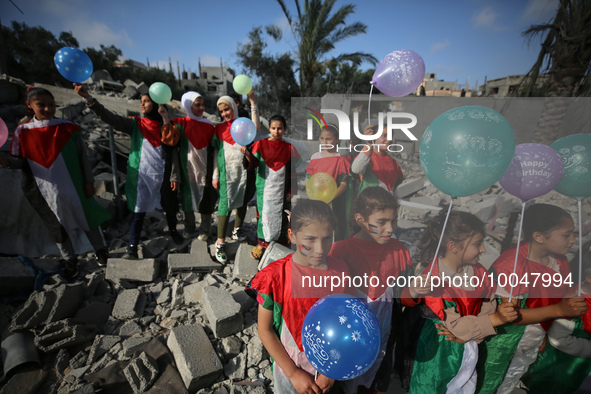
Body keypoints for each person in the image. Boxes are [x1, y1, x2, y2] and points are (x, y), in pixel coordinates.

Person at [397, 210, 517, 393]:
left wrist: (476, 331)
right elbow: (456, 328)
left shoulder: (478, 272)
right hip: (436, 353)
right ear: (453, 246)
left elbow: (488, 300)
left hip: (470, 345)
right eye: (478, 244)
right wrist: (495, 319)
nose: (484, 249)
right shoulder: (433, 282)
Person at [476, 203, 587, 394]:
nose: (572, 240)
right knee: (490, 385)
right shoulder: (512, 264)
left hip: (533, 340)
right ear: (539, 237)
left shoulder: (559, 261)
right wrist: (559, 310)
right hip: (505, 344)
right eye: (566, 235)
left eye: (573, 234)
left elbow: (555, 295)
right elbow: (510, 315)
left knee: (511, 382)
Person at [246, 199, 351, 394]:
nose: (320, 248)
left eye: (327, 238)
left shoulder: (341, 271)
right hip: (290, 369)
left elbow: (346, 322)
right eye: (310, 239)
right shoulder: (275, 276)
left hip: (329, 368)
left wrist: (332, 370)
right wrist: (294, 373)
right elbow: (265, 330)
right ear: (292, 236)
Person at [5, 87, 111, 278]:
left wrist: (88, 181)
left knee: (86, 218)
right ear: (29, 105)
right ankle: (70, 258)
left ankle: (101, 250)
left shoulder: (67, 128)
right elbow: (19, 162)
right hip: (41, 189)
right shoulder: (23, 132)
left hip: (74, 186)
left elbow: (82, 157)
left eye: (51, 105)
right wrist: (4, 162)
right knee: (56, 224)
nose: (47, 109)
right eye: (41, 105)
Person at [74, 83, 183, 259]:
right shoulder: (135, 124)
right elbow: (110, 117)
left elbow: (172, 143)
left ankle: (173, 232)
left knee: (170, 206)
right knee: (138, 211)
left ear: (156, 103)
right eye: (141, 101)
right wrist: (89, 99)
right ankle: (132, 244)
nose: (142, 104)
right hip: (141, 176)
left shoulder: (168, 126)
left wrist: (165, 118)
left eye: (146, 101)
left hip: (164, 175)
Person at [329, 187, 421, 393]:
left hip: (384, 341)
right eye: (381, 222)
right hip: (346, 341)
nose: (390, 229)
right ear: (360, 219)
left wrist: (414, 292)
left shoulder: (399, 251)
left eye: (393, 221)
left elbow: (402, 298)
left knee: (374, 382)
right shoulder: (341, 251)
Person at [521, 241, 591, 393]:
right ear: (589, 277)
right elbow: (560, 339)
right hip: (557, 369)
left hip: (577, 369)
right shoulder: (575, 303)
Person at [242, 114, 299, 259]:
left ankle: (282, 243)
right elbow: (252, 164)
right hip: (264, 190)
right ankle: (262, 243)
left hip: (283, 190)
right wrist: (248, 155)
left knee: (283, 215)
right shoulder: (261, 144)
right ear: (270, 128)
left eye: (280, 128)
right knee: (263, 216)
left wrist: (292, 190)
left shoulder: (289, 148)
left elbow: (293, 170)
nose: (276, 131)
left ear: (285, 129)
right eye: (273, 128)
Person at [212, 93, 260, 263]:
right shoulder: (218, 129)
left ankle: (237, 229)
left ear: (234, 107)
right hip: (227, 172)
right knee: (224, 205)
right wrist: (215, 174)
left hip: (245, 171)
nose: (225, 113)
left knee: (244, 199)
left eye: (227, 109)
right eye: (222, 111)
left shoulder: (244, 125)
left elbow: (256, 126)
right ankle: (220, 243)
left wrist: (253, 103)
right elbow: (216, 153)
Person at [163, 91, 217, 241]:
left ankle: (205, 229)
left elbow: (214, 149)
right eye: (197, 105)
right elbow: (169, 141)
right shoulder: (179, 123)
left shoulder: (208, 125)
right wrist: (165, 119)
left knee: (205, 199)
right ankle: (189, 227)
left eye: (203, 104)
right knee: (188, 199)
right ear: (188, 105)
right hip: (186, 169)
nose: (201, 108)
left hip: (204, 169)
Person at [306, 124, 353, 241]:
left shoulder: (340, 160)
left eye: (329, 139)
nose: (325, 142)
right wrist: (312, 194)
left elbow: (344, 184)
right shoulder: (315, 157)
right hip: (316, 201)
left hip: (333, 204)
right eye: (322, 138)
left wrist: (330, 197)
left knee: (332, 231)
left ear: (337, 140)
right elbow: (309, 178)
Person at [351, 125, 403, 195]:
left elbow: (401, 183)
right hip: (369, 203)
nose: (389, 139)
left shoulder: (393, 162)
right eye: (384, 135)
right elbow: (356, 169)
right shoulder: (366, 158)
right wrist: (369, 143)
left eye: (391, 136)